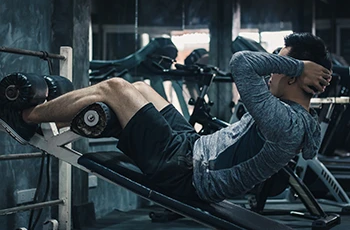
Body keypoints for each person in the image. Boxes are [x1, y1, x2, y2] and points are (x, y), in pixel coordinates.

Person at [0, 32, 332, 203]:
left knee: (116, 87)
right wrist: (298, 68)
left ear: (290, 77)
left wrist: (299, 66)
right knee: (141, 86)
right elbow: (257, 74)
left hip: (186, 172)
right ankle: (58, 106)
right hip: (193, 149)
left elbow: (242, 63)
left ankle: (28, 116)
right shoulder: (296, 115)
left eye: (280, 66)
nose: (272, 71)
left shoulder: (283, 121)